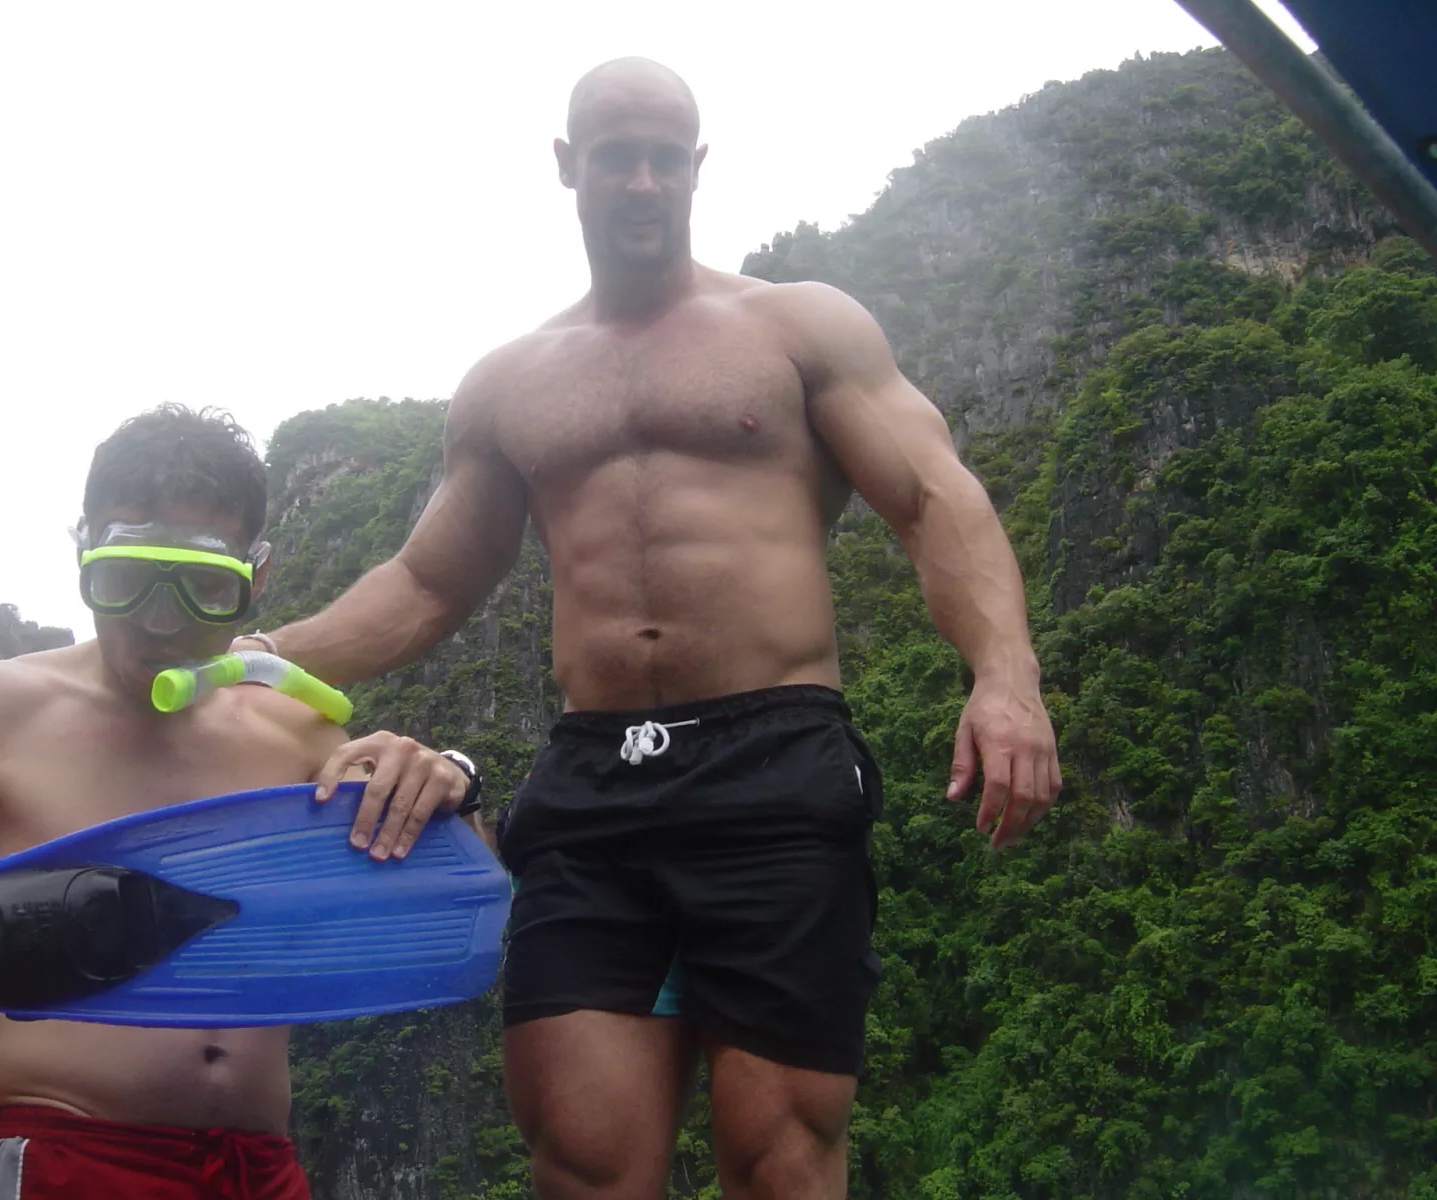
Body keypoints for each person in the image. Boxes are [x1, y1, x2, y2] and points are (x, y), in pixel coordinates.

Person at [238, 57, 1063, 1200]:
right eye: (615, 157)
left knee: (779, 1159)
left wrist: (1004, 677)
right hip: (594, 786)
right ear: (566, 164)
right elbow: (428, 582)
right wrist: (263, 658)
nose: (641, 182)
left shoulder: (797, 327)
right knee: (583, 1164)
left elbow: (933, 499)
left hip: (773, 766)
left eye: (665, 159)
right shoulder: (509, 383)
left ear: (697, 167)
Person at [0, 405, 475, 1199]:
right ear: (84, 550)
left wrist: (448, 782)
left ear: (256, 576)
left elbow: (448, 897)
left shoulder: (298, 729)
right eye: (126, 579)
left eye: (203, 586)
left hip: (262, 1169)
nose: (160, 621)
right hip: (68, 1158)